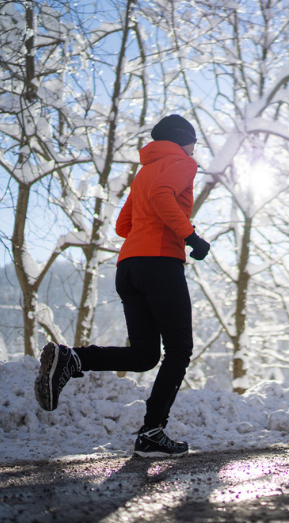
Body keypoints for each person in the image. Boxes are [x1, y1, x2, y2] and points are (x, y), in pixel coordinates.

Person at [34, 114, 210, 458]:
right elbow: (162, 197)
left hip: (129, 266)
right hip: (160, 264)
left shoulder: (145, 171)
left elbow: (123, 224)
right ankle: (152, 433)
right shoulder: (182, 163)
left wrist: (151, 236)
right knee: (179, 349)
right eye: (193, 140)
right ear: (181, 139)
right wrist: (190, 236)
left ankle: (72, 359)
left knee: (145, 356)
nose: (194, 148)